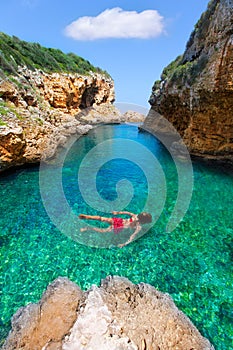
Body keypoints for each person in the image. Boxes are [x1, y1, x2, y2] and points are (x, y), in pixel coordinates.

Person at [79, 211, 152, 247]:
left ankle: (89, 217)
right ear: (144, 221)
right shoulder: (139, 227)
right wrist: (124, 243)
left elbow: (127, 212)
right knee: (103, 231)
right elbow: (132, 236)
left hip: (119, 220)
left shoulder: (134, 215)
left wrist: (117, 212)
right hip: (119, 227)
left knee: (102, 218)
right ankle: (88, 228)